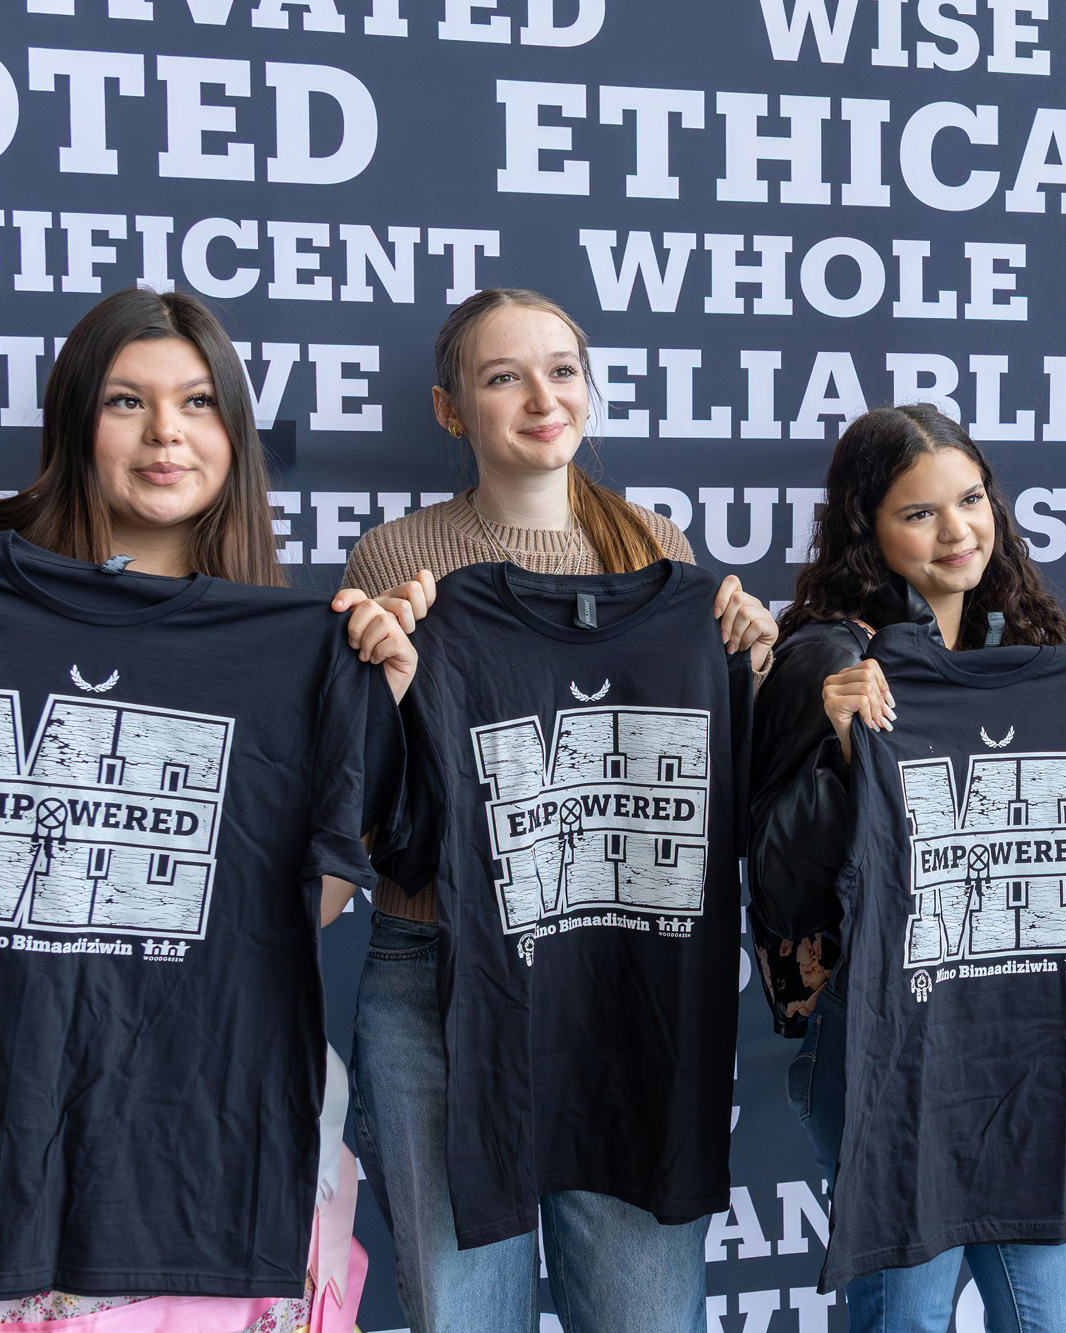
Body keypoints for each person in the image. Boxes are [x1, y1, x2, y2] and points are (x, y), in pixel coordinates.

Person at [0, 285, 412, 1328]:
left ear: (234, 434)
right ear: (77, 423)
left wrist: (373, 702)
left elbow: (307, 907)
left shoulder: (298, 642)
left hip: (198, 1147)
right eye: (127, 401)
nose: (166, 433)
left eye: (198, 402)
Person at [338, 287, 776, 1333]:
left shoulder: (661, 554)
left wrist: (753, 660)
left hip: (624, 977)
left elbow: (739, 782)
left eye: (562, 369)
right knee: (464, 1313)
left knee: (643, 1315)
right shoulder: (402, 564)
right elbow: (361, 804)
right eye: (504, 376)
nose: (543, 396)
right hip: (442, 978)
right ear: (451, 410)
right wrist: (385, 676)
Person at [748, 403, 1066, 1333]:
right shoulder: (832, 657)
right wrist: (846, 759)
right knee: (907, 1321)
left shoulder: (1037, 654)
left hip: (1026, 1047)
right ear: (865, 529)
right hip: (886, 1051)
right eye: (920, 513)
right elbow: (776, 883)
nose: (958, 530)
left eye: (971, 500)